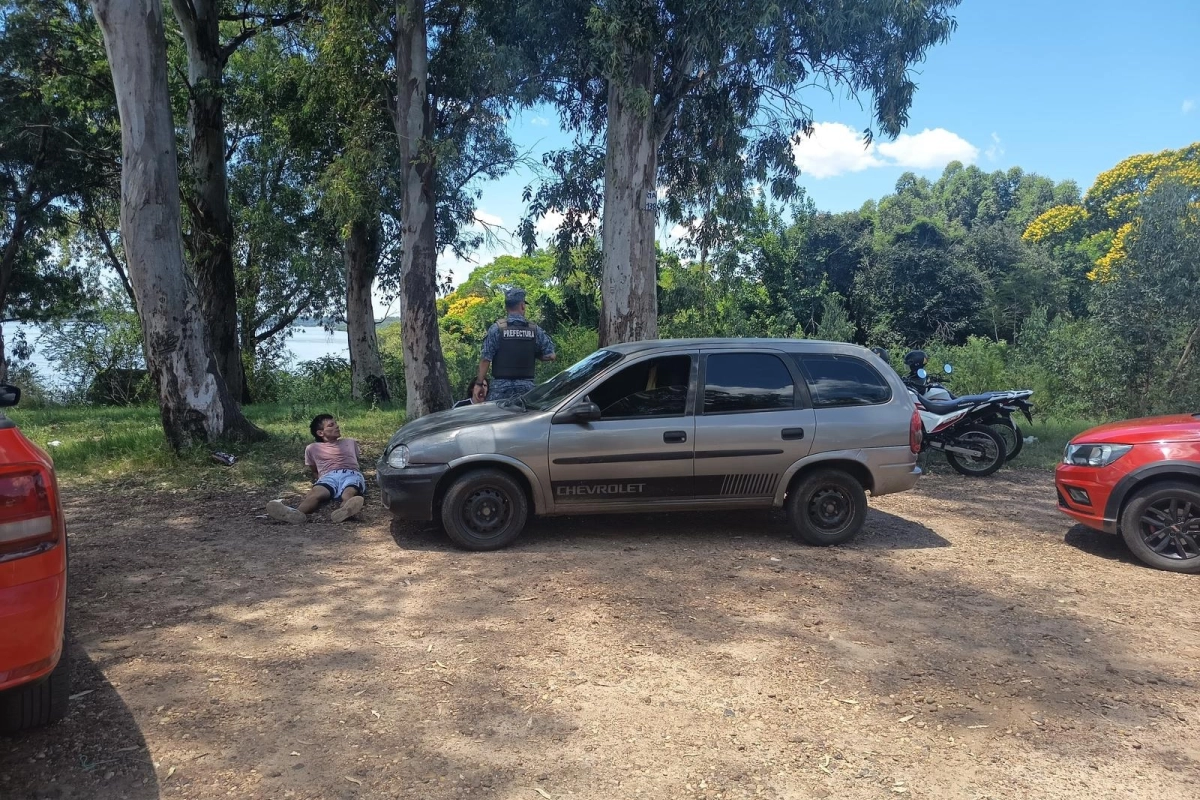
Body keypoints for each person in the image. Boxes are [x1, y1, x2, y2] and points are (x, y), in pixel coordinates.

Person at [266, 414, 366, 524]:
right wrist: (320, 481)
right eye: (331, 425)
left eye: (336, 423)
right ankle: (294, 514)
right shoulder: (312, 448)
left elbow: (355, 460)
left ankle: (345, 511)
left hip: (351, 473)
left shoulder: (350, 442)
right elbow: (314, 469)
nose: (337, 426)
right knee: (315, 494)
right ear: (320, 433)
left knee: (348, 494)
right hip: (328, 476)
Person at [474, 287, 556, 401]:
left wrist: (478, 384)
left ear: (506, 307)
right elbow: (551, 355)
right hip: (526, 393)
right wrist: (536, 354)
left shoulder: (496, 329)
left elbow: (485, 359)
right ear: (522, 305)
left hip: (499, 393)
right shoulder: (535, 330)